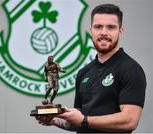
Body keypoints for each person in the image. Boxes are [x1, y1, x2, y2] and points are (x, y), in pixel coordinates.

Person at [36, 4, 146, 133]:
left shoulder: (131, 69)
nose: (103, 32)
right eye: (98, 27)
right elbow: (79, 122)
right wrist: (55, 120)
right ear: (91, 30)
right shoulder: (84, 72)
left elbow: (129, 121)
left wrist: (84, 120)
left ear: (120, 31)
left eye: (111, 27)